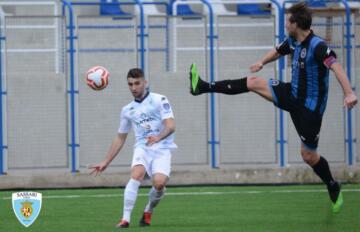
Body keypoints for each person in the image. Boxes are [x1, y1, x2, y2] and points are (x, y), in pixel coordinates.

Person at [189, 2, 357, 213]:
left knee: (308, 156)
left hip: (309, 111)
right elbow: (279, 50)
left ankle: (332, 184)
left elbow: (336, 66)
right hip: (292, 93)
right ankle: (202, 87)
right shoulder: (294, 40)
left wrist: (349, 92)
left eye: (288, 21)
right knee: (253, 82)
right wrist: (261, 62)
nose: (285, 24)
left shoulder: (318, 46)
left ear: (296, 24)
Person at [89, 68, 177, 228]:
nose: (134, 88)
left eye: (137, 83)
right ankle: (125, 219)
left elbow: (171, 126)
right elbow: (120, 137)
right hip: (142, 147)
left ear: (145, 82)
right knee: (136, 174)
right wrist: (106, 161)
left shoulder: (160, 100)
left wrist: (158, 137)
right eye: (130, 84)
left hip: (162, 147)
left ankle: (148, 210)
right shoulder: (127, 110)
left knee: (159, 184)